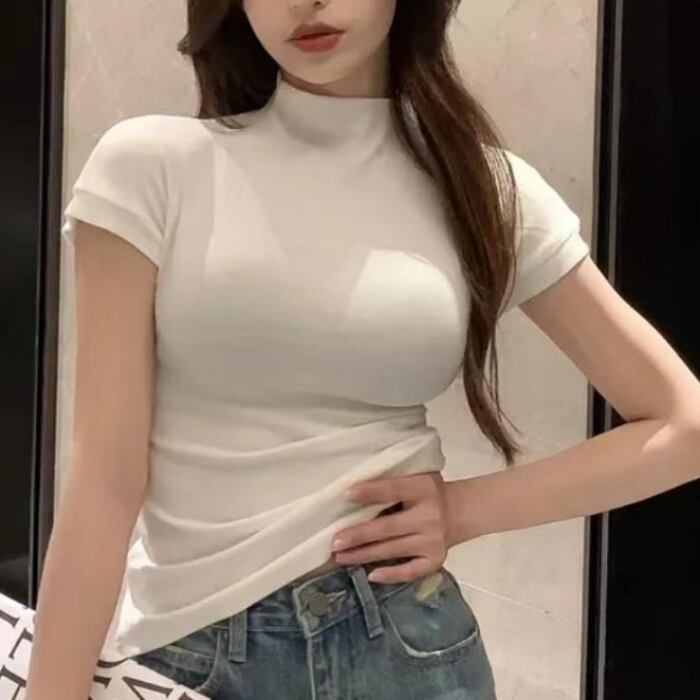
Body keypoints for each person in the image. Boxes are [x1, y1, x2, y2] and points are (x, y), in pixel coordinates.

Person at [26, 1, 700, 699]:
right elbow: (105, 480)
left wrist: (465, 510)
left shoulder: (484, 188)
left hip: (406, 650)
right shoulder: (153, 166)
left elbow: (685, 426)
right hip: (188, 652)